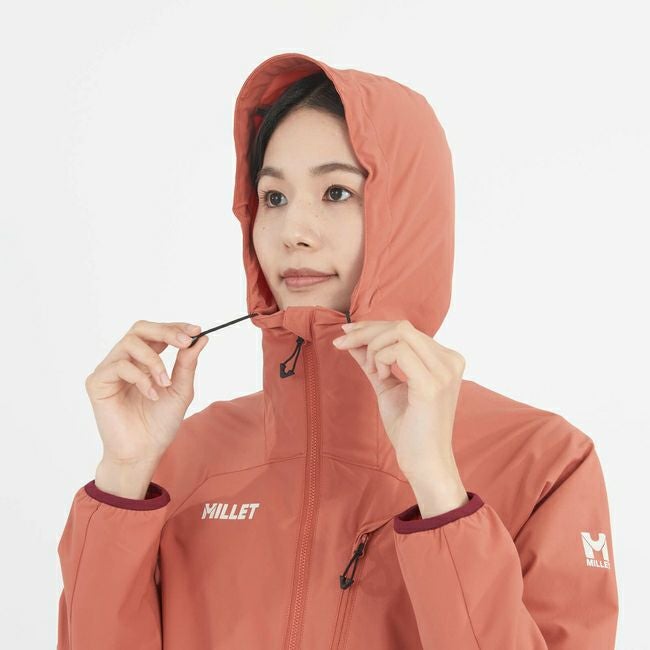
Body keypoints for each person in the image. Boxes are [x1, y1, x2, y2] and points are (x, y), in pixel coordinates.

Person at [56, 52, 619, 649]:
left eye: (336, 191)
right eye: (273, 197)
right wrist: (124, 477)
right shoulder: (182, 459)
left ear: (409, 215)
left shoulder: (545, 463)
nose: (293, 231)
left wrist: (438, 491)